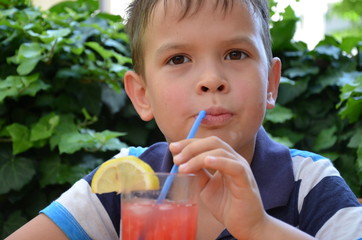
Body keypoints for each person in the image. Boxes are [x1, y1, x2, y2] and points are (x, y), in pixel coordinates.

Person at [6, 0, 362, 239]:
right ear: (142, 95)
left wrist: (259, 227)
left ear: (270, 84)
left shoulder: (309, 182)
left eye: (235, 53)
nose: (211, 79)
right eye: (178, 59)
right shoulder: (128, 178)